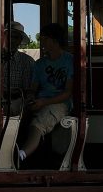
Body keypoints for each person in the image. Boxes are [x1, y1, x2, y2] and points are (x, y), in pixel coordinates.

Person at [18, 22, 73, 164]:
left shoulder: (69, 61)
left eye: (45, 38)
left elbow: (67, 93)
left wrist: (44, 102)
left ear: (54, 41)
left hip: (60, 103)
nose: (42, 41)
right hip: (40, 101)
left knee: (39, 123)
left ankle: (21, 155)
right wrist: (30, 98)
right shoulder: (39, 64)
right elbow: (33, 88)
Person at [1, 22, 36, 116]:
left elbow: (27, 89)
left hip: (16, 100)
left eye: (15, 37)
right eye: (9, 36)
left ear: (20, 40)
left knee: (8, 109)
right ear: (3, 37)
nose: (11, 40)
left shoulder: (27, 61)